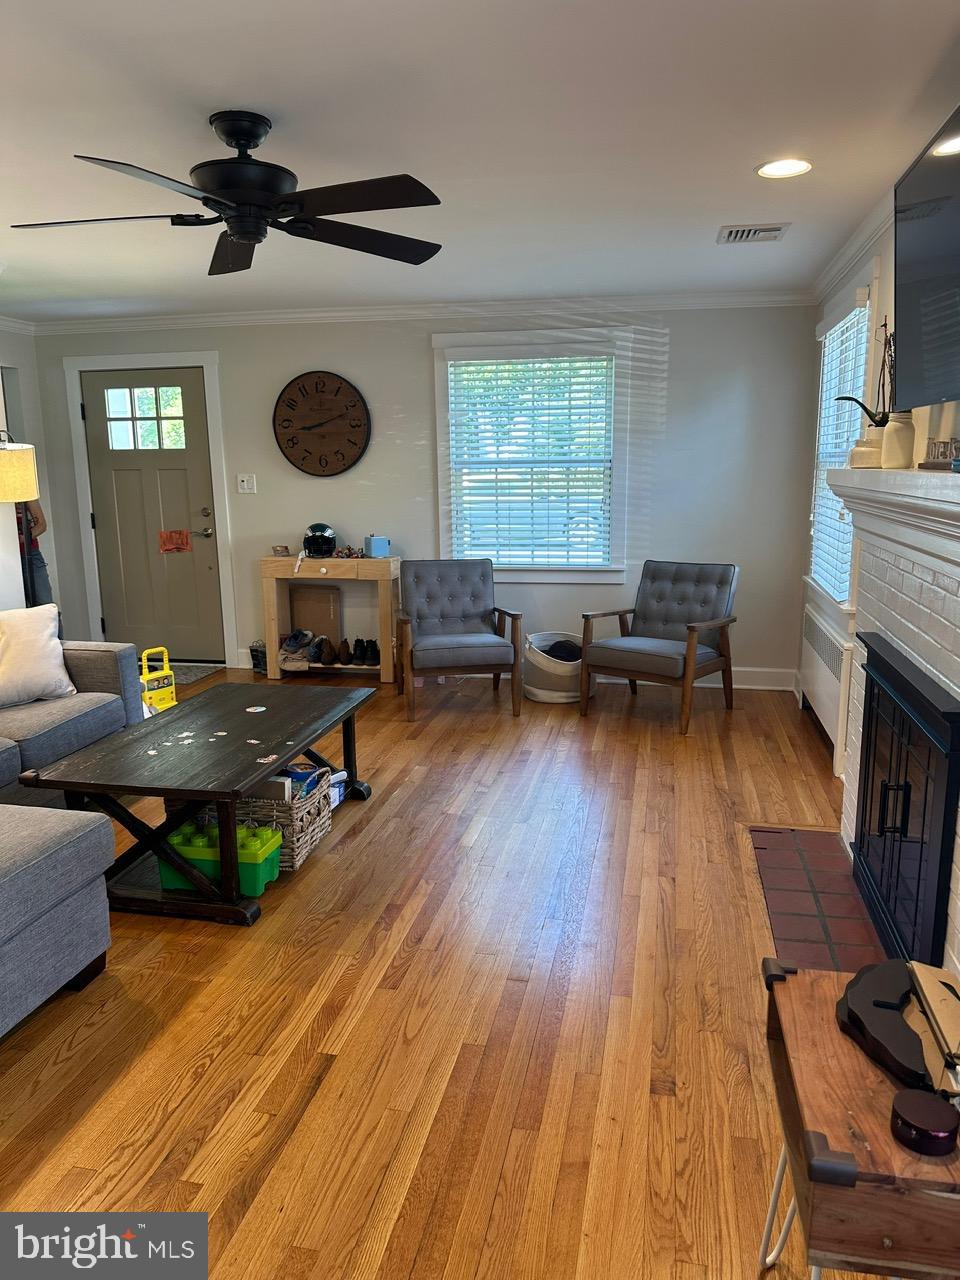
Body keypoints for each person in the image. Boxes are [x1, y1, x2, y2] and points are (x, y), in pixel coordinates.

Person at [18, 499, 54, 606]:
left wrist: (23, 537)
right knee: (13, 604)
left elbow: (42, 525)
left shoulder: (25, 492)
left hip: (29, 554)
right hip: (6, 556)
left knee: (44, 604)